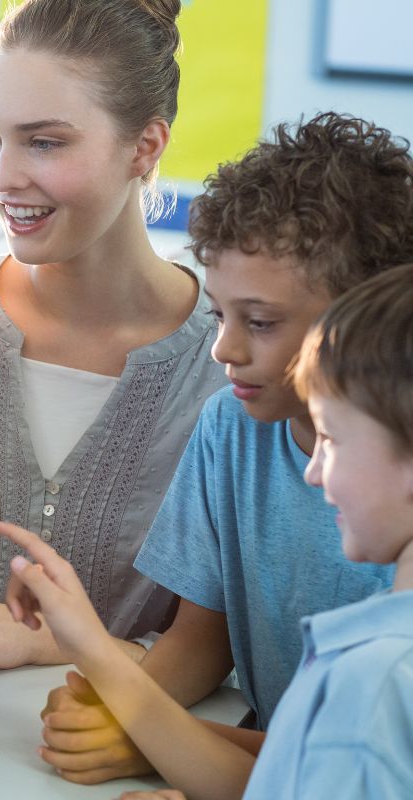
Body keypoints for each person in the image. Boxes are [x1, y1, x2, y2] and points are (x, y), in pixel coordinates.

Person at [36, 112, 413, 786]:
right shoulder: (230, 426)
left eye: (261, 322)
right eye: (219, 314)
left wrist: (155, 730)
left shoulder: (385, 490)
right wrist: (129, 713)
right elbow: (199, 639)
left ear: (366, 320)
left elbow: (344, 751)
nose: (225, 349)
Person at [0, 0, 224, 673]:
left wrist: (48, 640)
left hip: (105, 759)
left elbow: (218, 649)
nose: (2, 177)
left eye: (45, 142)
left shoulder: (229, 370)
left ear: (145, 147)